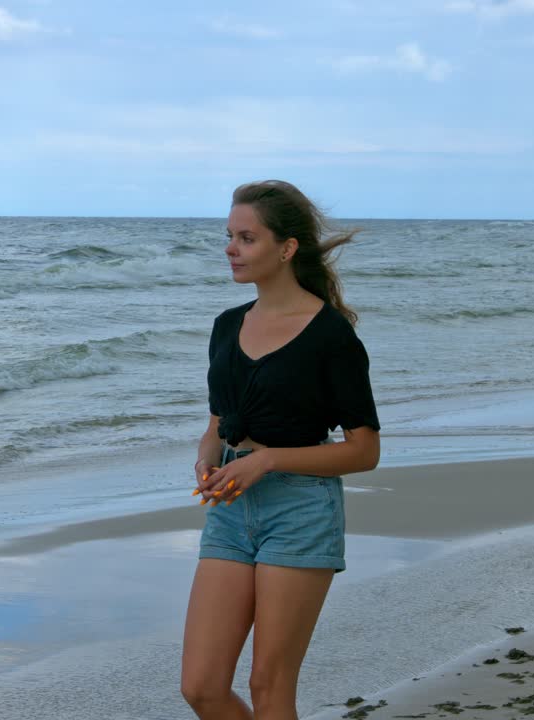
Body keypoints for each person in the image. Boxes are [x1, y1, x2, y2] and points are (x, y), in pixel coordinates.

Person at [181, 180, 381, 720]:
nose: (230, 249)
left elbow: (363, 452)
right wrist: (207, 456)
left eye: (247, 238)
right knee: (201, 686)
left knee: (269, 687)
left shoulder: (330, 336)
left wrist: (268, 459)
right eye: (229, 236)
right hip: (228, 507)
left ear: (286, 248)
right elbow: (219, 423)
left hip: (299, 508)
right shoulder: (226, 327)